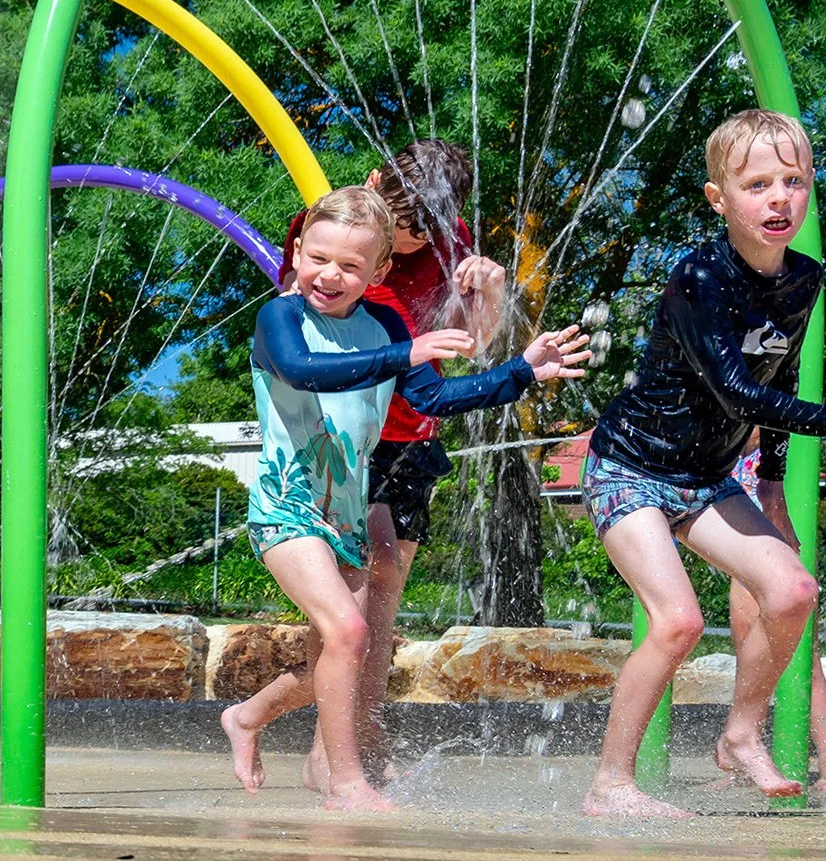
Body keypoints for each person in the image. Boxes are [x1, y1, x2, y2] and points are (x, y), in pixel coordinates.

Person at [580, 108, 826, 818]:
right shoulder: (698, 277)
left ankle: (740, 734)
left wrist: (773, 484)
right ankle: (610, 783)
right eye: (755, 184)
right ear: (719, 198)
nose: (777, 198)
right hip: (629, 467)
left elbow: (776, 381)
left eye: (793, 180)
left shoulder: (803, 278)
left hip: (706, 478)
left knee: (790, 592)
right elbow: (736, 389)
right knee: (676, 621)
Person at [219, 185, 588, 810]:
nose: (329, 275)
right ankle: (346, 782)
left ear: (379, 271)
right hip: (286, 507)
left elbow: (435, 400)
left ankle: (248, 717)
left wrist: (523, 369)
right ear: (299, 249)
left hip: (348, 517)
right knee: (347, 630)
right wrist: (403, 351)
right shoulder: (281, 317)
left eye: (351, 266)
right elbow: (305, 370)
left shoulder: (386, 323)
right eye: (318, 258)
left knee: (346, 650)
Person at [271, 139, 506, 788]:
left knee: (376, 604)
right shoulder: (330, 233)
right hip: (343, 437)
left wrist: (491, 289)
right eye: (399, 231)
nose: (405, 247)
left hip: (409, 437)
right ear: (374, 181)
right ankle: (335, 749)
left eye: (418, 234)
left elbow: (471, 341)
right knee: (346, 594)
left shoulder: (446, 237)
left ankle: (353, 732)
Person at [724, 431, 826, 797]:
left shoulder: (782, 437)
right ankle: (747, 763)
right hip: (744, 558)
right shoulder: (731, 442)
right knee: (750, 662)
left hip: (778, 553)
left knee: (805, 665)